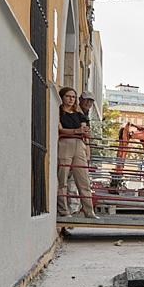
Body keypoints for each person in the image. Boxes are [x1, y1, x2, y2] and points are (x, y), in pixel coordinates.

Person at [57, 86, 97, 219]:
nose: (71, 99)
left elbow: (85, 130)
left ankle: (89, 212)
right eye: (68, 96)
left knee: (83, 179)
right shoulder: (58, 111)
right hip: (64, 144)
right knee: (62, 179)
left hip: (79, 145)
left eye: (73, 97)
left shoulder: (79, 114)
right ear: (62, 97)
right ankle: (64, 211)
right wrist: (76, 131)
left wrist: (81, 132)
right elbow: (60, 130)